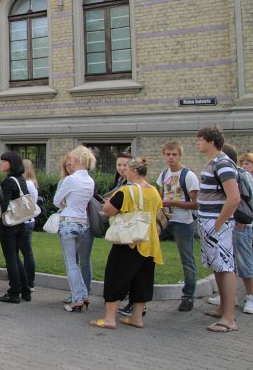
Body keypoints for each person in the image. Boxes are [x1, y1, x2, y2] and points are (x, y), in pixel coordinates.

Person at [90, 157, 163, 329]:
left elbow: (108, 210)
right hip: (149, 240)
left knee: (116, 276)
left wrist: (109, 202)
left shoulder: (126, 191)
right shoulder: (153, 191)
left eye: (127, 169)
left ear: (134, 171)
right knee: (142, 279)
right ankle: (137, 317)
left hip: (129, 240)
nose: (124, 172)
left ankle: (109, 318)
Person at [195, 126, 241, 332]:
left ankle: (229, 318)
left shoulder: (222, 163)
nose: (198, 143)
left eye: (200, 139)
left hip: (217, 225)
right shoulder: (214, 162)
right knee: (218, 267)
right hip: (210, 223)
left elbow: (234, 198)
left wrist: (218, 224)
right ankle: (223, 308)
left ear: (211, 142)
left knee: (225, 267)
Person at [154, 141, 199, 312]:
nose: (171, 157)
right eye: (168, 154)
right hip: (165, 219)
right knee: (147, 248)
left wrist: (172, 202)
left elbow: (196, 204)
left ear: (180, 155)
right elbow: (160, 195)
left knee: (187, 259)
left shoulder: (188, 176)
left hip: (183, 221)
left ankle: (188, 296)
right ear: (164, 155)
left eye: (174, 154)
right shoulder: (163, 174)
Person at [53, 145, 96, 312]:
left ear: (76, 161)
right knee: (76, 262)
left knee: (70, 262)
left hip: (68, 221)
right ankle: (83, 294)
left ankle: (77, 298)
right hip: (82, 222)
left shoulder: (71, 179)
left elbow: (57, 201)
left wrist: (64, 202)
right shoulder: (89, 180)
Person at [0, 151, 33, 304]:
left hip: (9, 224)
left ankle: (14, 292)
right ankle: (25, 290)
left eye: (4, 161)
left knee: (11, 258)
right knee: (16, 257)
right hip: (21, 223)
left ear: (11, 163)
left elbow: (3, 205)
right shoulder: (21, 179)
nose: (1, 163)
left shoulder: (9, 181)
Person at [21, 158, 39, 292]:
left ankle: (27, 281)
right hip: (30, 220)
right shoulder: (33, 183)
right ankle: (29, 281)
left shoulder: (26, 184)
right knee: (27, 252)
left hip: (23, 220)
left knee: (25, 252)